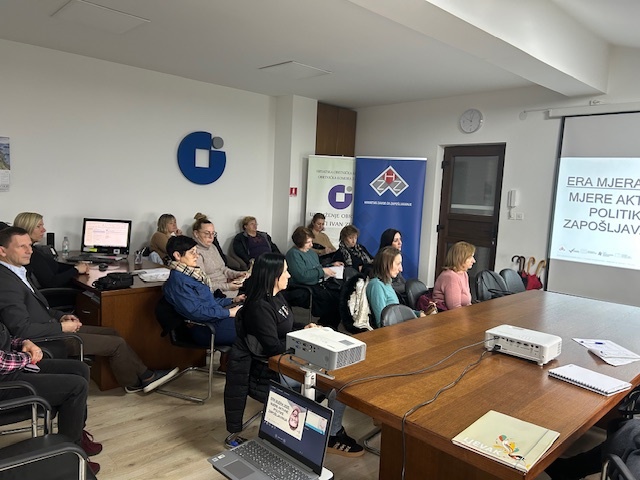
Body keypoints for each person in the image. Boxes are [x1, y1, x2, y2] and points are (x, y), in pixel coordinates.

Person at [0, 226, 179, 394]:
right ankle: (143, 379)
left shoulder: (17, 271)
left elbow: (39, 307)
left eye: (30, 246)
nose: (30, 251)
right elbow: (21, 330)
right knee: (116, 344)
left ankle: (133, 379)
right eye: (22, 247)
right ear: (2, 251)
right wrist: (61, 327)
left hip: (50, 326)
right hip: (46, 339)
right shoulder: (6, 283)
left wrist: (61, 316)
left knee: (112, 332)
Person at [224, 252, 364, 456]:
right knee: (338, 384)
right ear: (274, 276)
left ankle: (329, 431)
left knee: (340, 376)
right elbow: (273, 347)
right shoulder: (259, 307)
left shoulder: (276, 297)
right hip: (270, 372)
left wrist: (304, 328)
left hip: (287, 361)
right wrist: (303, 341)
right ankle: (332, 435)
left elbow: (286, 325)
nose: (289, 275)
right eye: (286, 271)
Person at [0, 322, 102, 474]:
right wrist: (28, 356)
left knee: (80, 369)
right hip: (5, 385)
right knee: (77, 387)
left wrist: (24, 343)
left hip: (15, 370)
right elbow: (2, 362)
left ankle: (78, 433)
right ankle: (70, 458)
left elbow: (6, 339)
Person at [163, 235, 242, 347]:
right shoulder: (179, 281)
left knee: (254, 320)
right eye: (192, 252)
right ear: (177, 255)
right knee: (253, 328)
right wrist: (229, 312)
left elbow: (208, 302)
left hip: (214, 320)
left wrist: (233, 300)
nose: (197, 256)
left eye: (196, 252)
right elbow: (197, 312)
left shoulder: (191, 275)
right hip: (205, 328)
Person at [14, 212, 90, 288]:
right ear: (26, 229)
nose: (43, 230)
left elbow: (55, 266)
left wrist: (77, 267)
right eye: (38, 226)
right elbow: (51, 283)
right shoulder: (30, 254)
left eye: (42, 226)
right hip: (57, 293)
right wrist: (76, 270)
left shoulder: (34, 250)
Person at [285, 227, 342, 329]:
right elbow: (302, 276)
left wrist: (330, 265)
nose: (311, 245)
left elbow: (317, 267)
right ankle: (326, 325)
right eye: (308, 242)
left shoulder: (311, 253)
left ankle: (328, 325)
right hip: (301, 287)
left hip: (316, 284)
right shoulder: (293, 254)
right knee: (330, 300)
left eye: (311, 241)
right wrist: (322, 271)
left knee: (339, 296)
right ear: (299, 242)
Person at [366, 247, 425, 327]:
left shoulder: (386, 283)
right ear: (386, 264)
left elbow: (398, 313)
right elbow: (382, 323)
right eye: (398, 264)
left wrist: (418, 313)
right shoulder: (376, 285)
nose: (401, 269)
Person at [192, 213, 246, 298]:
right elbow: (203, 284)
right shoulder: (194, 252)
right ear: (196, 233)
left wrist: (238, 274)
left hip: (228, 286)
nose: (211, 237)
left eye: (213, 233)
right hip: (217, 293)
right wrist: (228, 286)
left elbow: (223, 269)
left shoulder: (212, 247)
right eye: (207, 233)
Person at [431, 241, 476, 311]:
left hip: (460, 313)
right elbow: (454, 309)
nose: (474, 261)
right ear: (460, 258)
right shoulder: (451, 277)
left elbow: (467, 303)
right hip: (445, 315)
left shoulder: (464, 274)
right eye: (470, 257)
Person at [378, 228, 407, 301]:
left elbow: (403, 282)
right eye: (396, 240)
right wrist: (409, 288)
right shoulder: (381, 262)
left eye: (400, 239)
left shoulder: (397, 257)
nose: (400, 243)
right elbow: (386, 287)